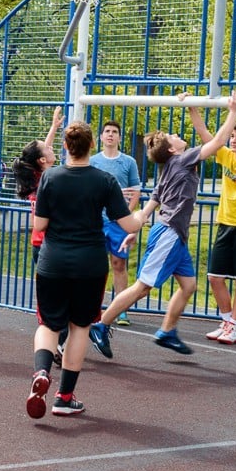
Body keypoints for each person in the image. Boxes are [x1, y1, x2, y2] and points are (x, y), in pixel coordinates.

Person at [89, 90, 236, 358]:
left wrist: (192, 107)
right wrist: (234, 109)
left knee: (188, 286)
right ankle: (101, 326)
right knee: (143, 286)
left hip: (171, 233)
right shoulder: (183, 160)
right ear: (173, 149)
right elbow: (218, 140)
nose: (177, 135)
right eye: (173, 136)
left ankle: (167, 331)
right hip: (169, 233)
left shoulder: (168, 169)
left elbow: (149, 207)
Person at [25, 121, 150, 419]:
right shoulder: (104, 180)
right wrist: (144, 211)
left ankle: (41, 372)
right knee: (80, 327)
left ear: (66, 147)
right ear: (92, 146)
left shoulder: (50, 178)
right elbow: (129, 224)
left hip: (53, 261)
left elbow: (39, 225)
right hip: (89, 264)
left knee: (48, 325)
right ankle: (64, 397)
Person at [189, 97, 236, 345]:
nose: (234, 139)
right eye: (232, 136)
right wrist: (191, 107)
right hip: (225, 224)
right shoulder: (225, 156)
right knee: (214, 276)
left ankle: (234, 325)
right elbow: (204, 134)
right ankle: (226, 320)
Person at [90, 120, 141, 326]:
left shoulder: (128, 162)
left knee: (119, 264)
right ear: (101, 137)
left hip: (118, 223)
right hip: (97, 221)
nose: (110, 135)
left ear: (120, 137)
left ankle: (120, 310)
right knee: (95, 265)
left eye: (114, 132)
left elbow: (135, 191)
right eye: (107, 131)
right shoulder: (93, 161)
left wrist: (124, 216)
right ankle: (92, 307)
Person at [11, 106, 64, 264]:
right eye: (47, 148)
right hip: (49, 242)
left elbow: (43, 151)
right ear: (42, 160)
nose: (51, 147)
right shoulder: (48, 178)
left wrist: (54, 127)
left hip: (39, 242)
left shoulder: (36, 175)